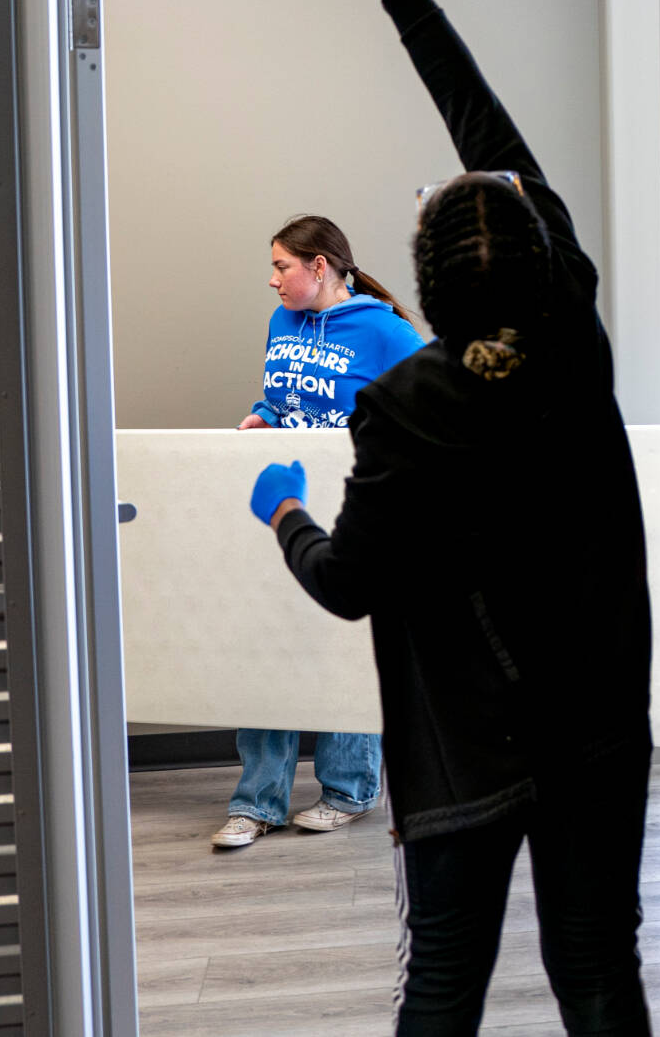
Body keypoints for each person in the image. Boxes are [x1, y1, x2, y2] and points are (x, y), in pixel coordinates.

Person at [246, 0, 654, 1036]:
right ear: (545, 260)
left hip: (463, 743)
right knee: (597, 966)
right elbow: (485, 125)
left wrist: (283, 513)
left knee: (442, 982)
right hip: (593, 724)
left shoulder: (405, 403)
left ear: (424, 290)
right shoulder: (573, 337)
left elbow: (347, 582)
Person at [214, 215, 425, 849]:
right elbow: (282, 398)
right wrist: (263, 415)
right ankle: (258, 801)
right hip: (286, 504)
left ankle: (349, 791)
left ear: (320, 266)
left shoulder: (387, 332)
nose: (273, 279)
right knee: (266, 642)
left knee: (344, 646)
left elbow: (424, 411)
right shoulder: (283, 322)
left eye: (282, 266)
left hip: (353, 509)